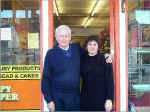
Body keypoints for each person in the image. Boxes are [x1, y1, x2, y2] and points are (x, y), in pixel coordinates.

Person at [41, 25, 112, 111]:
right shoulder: (51, 54)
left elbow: (91, 53)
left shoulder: (76, 49)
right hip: (57, 98)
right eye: (61, 36)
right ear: (56, 38)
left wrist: (105, 55)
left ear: (70, 37)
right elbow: (45, 78)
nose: (64, 39)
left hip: (75, 97)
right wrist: (49, 100)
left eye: (66, 36)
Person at [80, 35, 114, 111]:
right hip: (85, 98)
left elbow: (110, 81)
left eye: (94, 44)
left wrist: (109, 99)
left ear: (98, 46)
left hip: (101, 98)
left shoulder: (105, 59)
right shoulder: (82, 59)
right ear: (86, 46)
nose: (92, 47)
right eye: (90, 44)